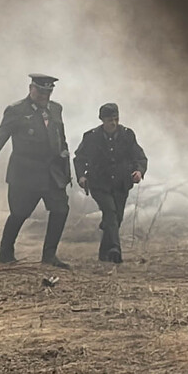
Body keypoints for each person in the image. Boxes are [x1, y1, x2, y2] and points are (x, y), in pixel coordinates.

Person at [0, 73, 73, 268]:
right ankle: (6, 253)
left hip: (52, 173)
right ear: (31, 89)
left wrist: (66, 172)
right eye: (41, 91)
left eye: (48, 92)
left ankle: (49, 255)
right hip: (25, 174)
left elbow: (62, 140)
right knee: (19, 213)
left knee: (60, 210)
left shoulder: (56, 109)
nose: (44, 96)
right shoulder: (16, 111)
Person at [74, 103, 148, 266]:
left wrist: (139, 171)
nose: (113, 123)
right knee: (110, 211)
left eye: (116, 119)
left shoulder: (127, 135)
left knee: (116, 218)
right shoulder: (91, 137)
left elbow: (140, 157)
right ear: (102, 120)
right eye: (109, 120)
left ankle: (103, 254)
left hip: (121, 184)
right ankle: (115, 250)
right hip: (99, 184)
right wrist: (81, 177)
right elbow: (79, 158)